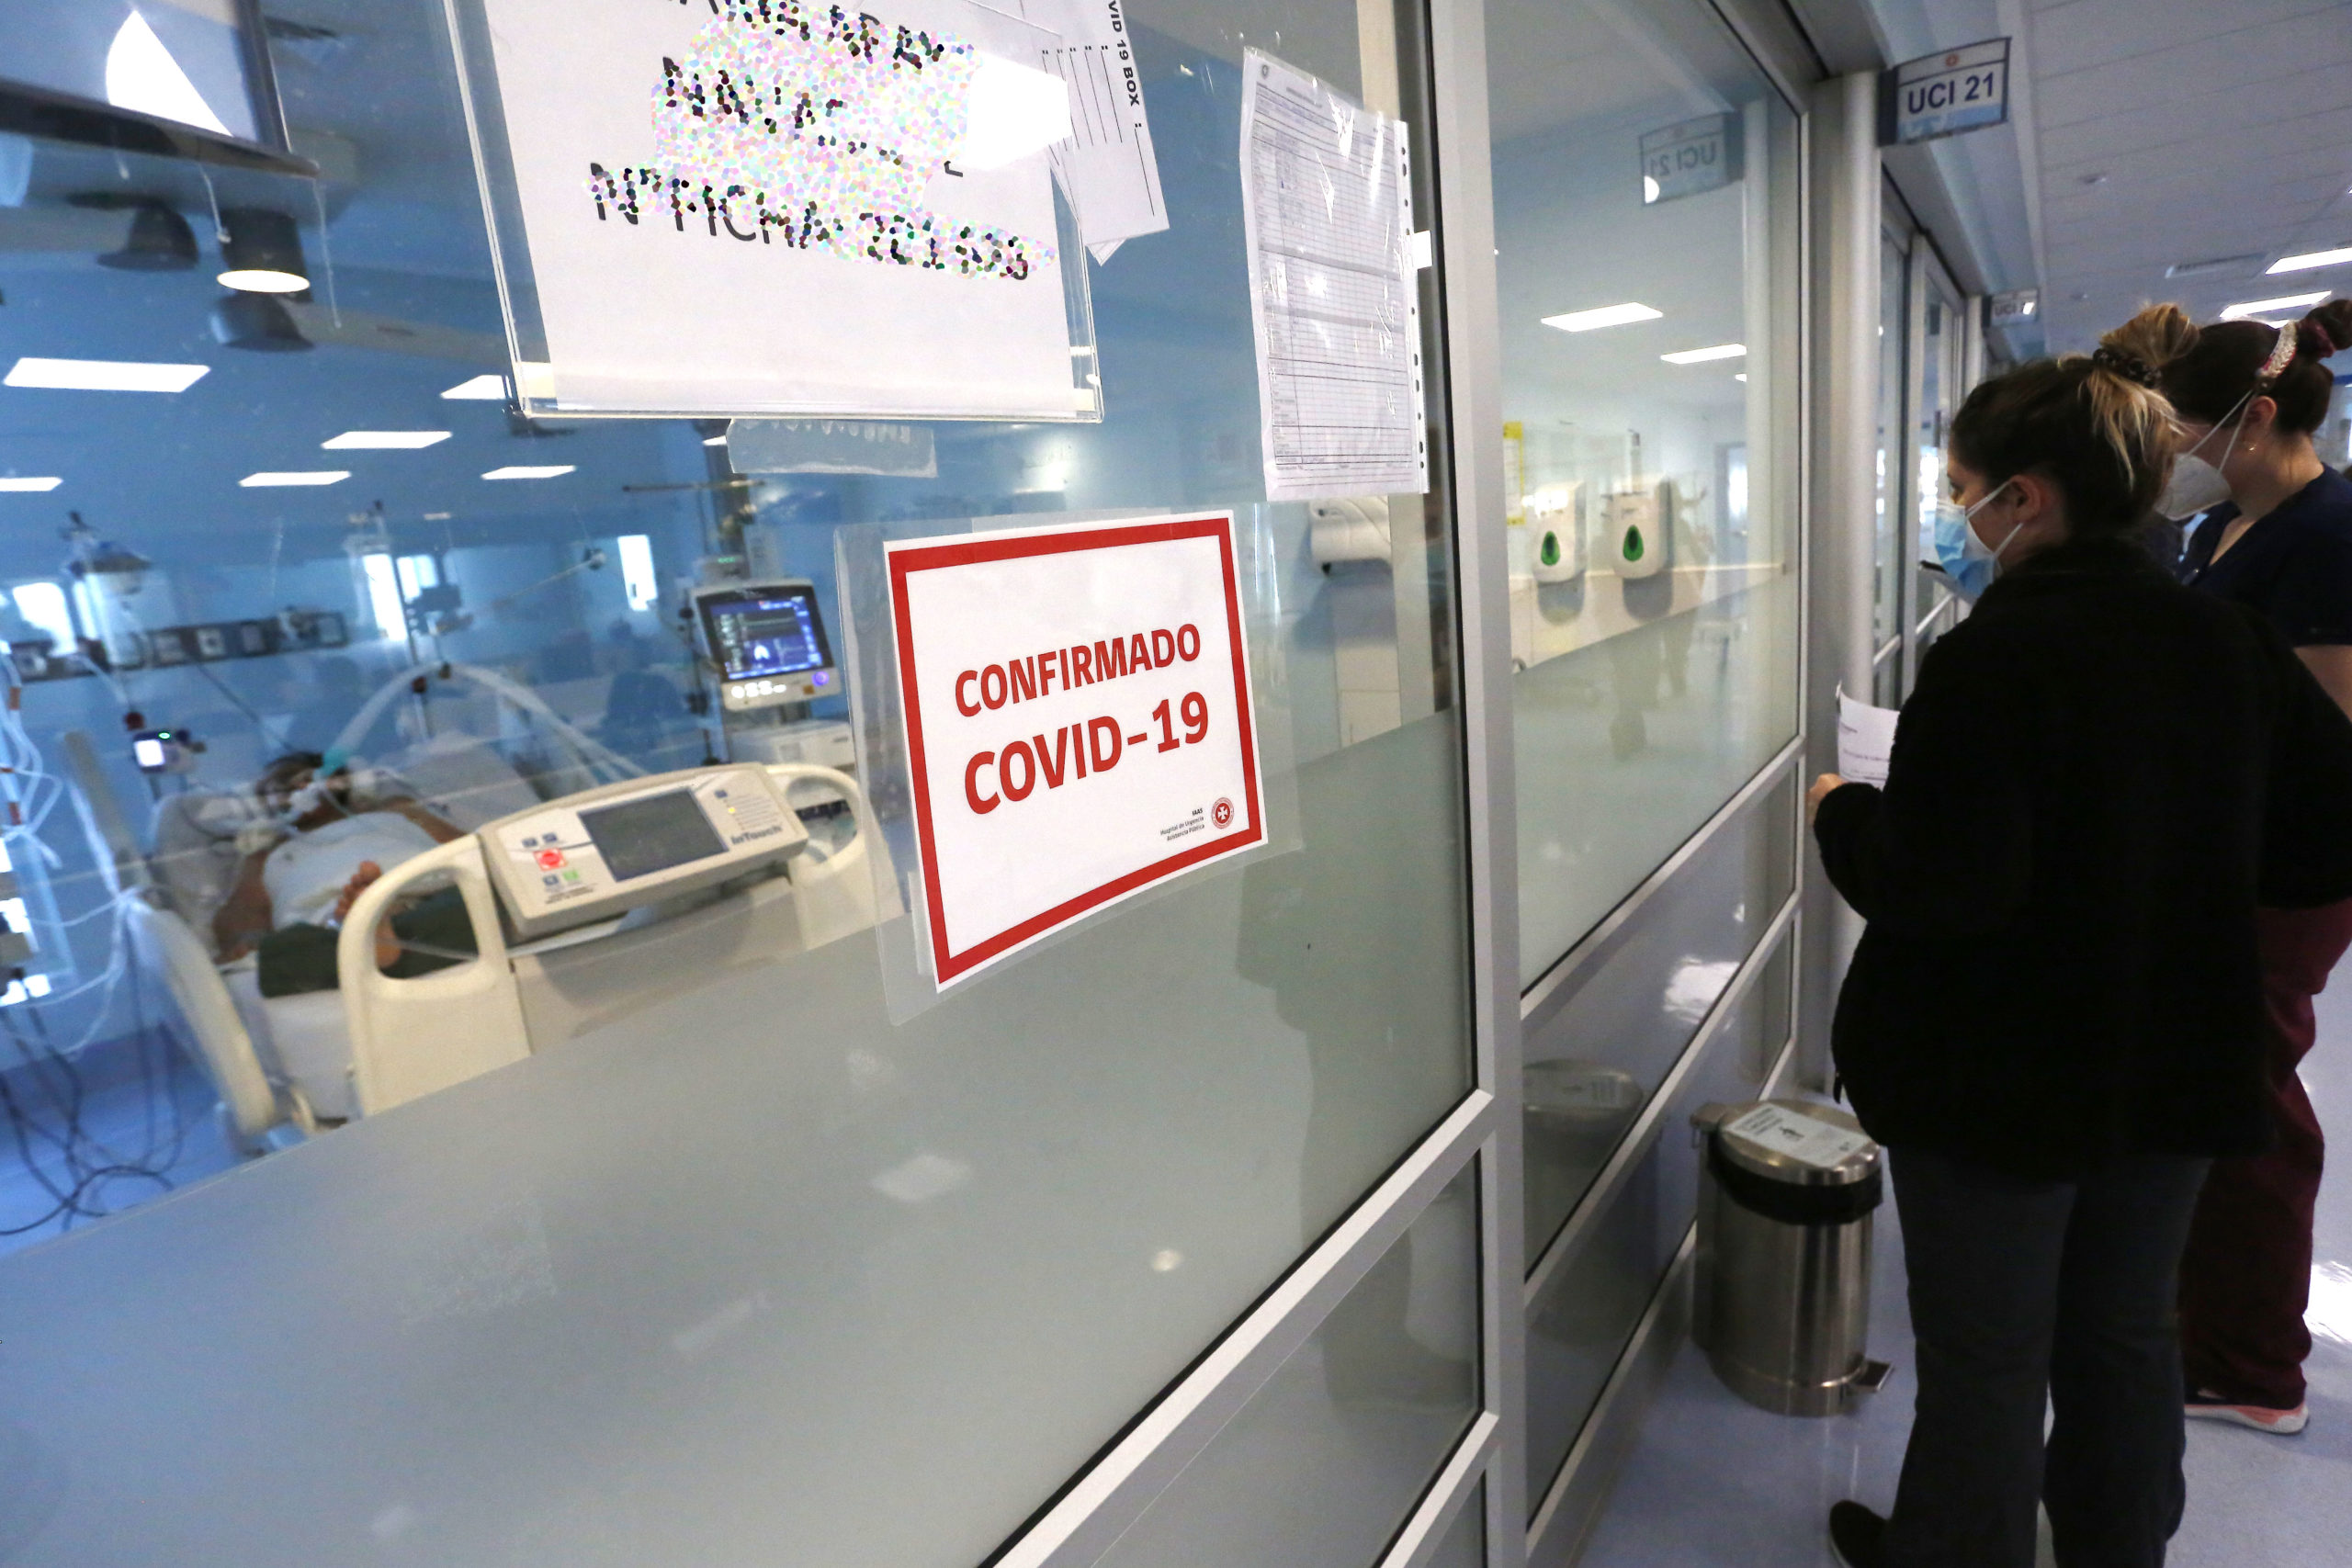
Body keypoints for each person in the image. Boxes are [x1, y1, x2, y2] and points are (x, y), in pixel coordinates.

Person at [1806, 344, 2352, 1568]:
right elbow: (2324, 840)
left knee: (1988, 1355)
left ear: (2028, 497)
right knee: (2124, 1335)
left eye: (1963, 492)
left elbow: (1936, 887)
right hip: (2171, 1065)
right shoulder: (2227, 639)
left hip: (1998, 1083)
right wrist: (2179, 878)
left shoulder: (1995, 657)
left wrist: (1845, 812)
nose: (1957, 520)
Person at [2114, 296, 2352, 1435]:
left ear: (2250, 421)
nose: (2173, 456)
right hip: (2219, 851)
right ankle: (2202, 1309)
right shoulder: (2226, 526)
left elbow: (2322, 740)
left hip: (2288, 864)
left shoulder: (2329, 536)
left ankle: (2257, 1371)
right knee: (2209, 1082)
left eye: (2180, 431)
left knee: (2252, 1101)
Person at [210, 752, 474, 995]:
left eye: (302, 779)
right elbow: (244, 911)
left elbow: (466, 848)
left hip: (428, 889)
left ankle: (371, 930)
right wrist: (246, 940)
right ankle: (365, 926)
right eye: (279, 790)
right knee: (279, 951)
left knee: (474, 898)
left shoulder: (394, 811)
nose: (294, 790)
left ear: (340, 782)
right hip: (328, 916)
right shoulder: (270, 848)